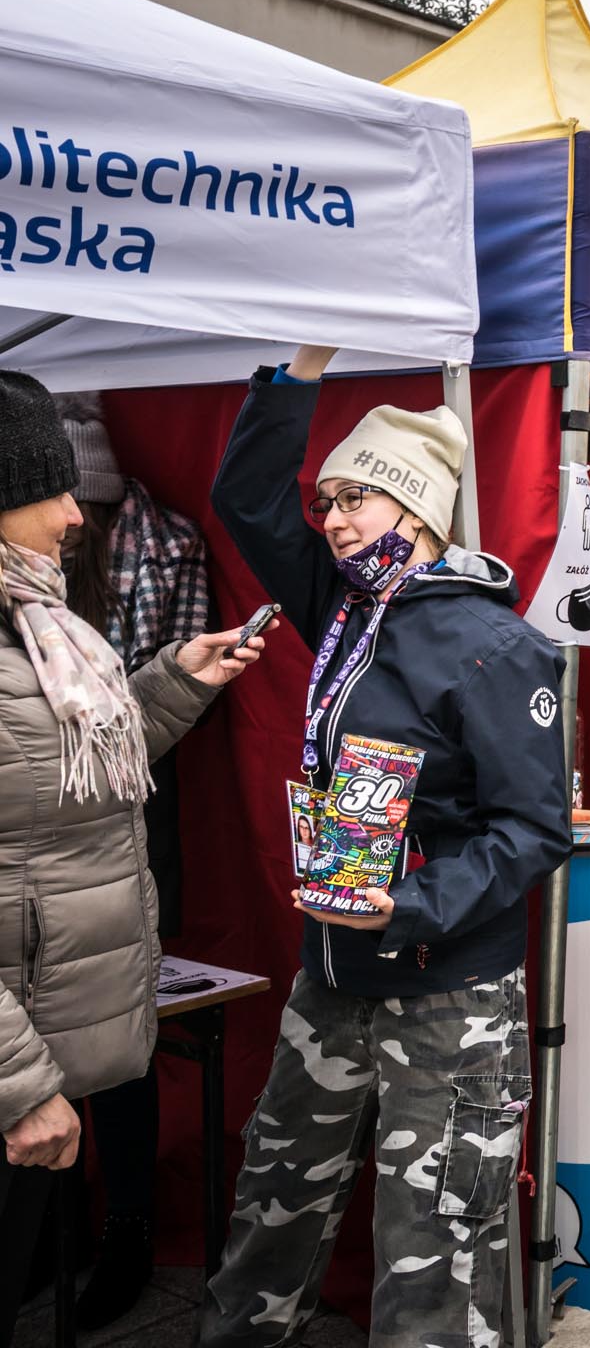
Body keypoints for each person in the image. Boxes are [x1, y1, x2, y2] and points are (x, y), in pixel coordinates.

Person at [200, 347, 571, 1347]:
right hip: (332, 977)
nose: (332, 519)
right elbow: (244, 497)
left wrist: (409, 906)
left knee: (435, 1267)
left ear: (418, 511)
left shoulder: (497, 647)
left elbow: (531, 829)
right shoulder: (347, 611)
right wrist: (297, 373)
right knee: (269, 1220)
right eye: (327, 501)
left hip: (450, 998)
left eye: (356, 498)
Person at [0, 370, 262, 1344]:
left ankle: (93, 1243)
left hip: (64, 993)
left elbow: (70, 770)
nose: (74, 514)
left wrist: (164, 687)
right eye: (48, 490)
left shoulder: (40, 623)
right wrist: (23, 1088)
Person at [55, 390, 215, 1329]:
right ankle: (54, 1230)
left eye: (87, 505)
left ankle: (126, 1230)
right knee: (37, 1036)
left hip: (127, 817)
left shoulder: (166, 544)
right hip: (35, 826)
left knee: (118, 1038)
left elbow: (176, 710)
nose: (75, 524)